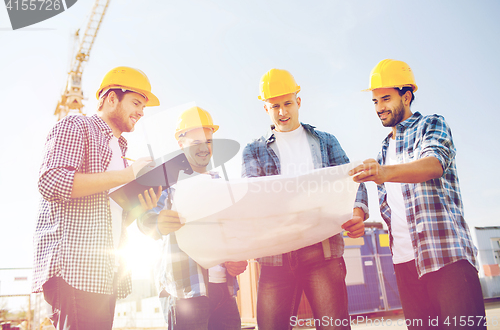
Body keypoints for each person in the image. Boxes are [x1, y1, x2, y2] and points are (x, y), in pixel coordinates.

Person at [350, 59, 486, 329]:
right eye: (375, 101)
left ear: (407, 96)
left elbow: (434, 164)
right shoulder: (382, 151)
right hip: (405, 265)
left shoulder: (431, 125)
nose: (379, 108)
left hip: (445, 257)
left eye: (386, 99)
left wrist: (385, 173)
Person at [33, 66, 161, 329]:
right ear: (111, 98)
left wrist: (137, 208)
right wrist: (127, 176)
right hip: (75, 269)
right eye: (136, 102)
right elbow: (51, 182)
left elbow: (107, 218)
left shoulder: (120, 150)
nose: (141, 112)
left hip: (105, 273)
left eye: (143, 107)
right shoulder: (76, 125)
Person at [241, 68, 369, 330]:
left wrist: (357, 212)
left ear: (298, 102)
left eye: (287, 103)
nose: (282, 112)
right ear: (265, 109)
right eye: (274, 106)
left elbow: (352, 179)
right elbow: (250, 200)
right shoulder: (253, 150)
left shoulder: (326, 142)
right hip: (275, 256)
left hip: (321, 252)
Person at [137, 106, 248, 330]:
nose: (204, 147)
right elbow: (144, 220)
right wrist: (158, 223)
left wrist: (238, 258)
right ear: (180, 144)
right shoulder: (166, 181)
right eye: (196, 141)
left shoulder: (221, 185)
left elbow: (233, 231)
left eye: (208, 141)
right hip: (185, 292)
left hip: (224, 292)